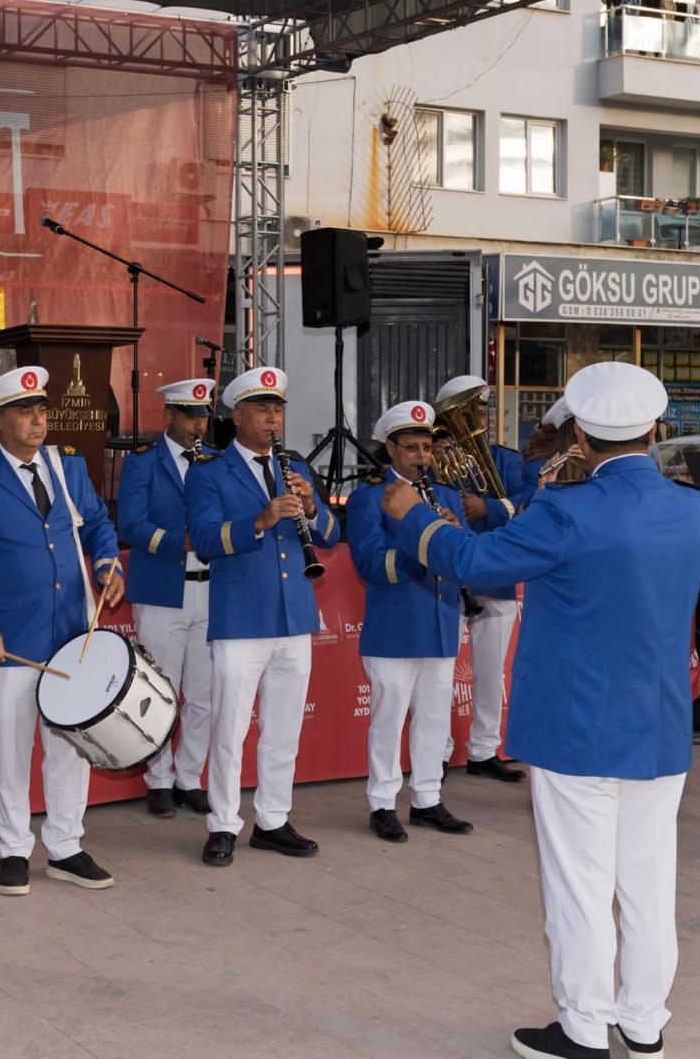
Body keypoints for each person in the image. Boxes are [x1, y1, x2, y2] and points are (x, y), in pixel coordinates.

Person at [381, 361, 700, 1059]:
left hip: (578, 726)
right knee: (649, 881)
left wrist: (412, 514)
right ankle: (644, 1023)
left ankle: (583, 1027)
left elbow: (473, 560)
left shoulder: (565, 511)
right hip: (657, 726)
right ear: (655, 430)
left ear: (582, 435)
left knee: (580, 884)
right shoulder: (698, 511)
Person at [0, 365, 125, 896]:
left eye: (42, 410)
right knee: (12, 752)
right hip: (10, 643)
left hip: (70, 637)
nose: (39, 420)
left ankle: (66, 846)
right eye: (26, 412)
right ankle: (14, 848)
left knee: (69, 749)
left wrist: (108, 565)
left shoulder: (68, 469)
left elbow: (100, 524)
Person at [185, 366, 340, 867]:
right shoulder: (209, 472)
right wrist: (260, 519)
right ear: (237, 416)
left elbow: (334, 535)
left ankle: (272, 819)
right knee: (230, 727)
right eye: (263, 410)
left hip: (294, 615)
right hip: (240, 618)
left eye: (278, 410)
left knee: (283, 727)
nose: (273, 418)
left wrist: (313, 508)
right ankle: (224, 824)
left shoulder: (295, 465)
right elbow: (206, 542)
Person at [346, 401, 475, 843]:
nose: (423, 456)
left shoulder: (450, 496)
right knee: (388, 718)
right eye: (413, 447)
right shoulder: (369, 496)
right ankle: (382, 803)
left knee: (434, 718)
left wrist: (453, 535)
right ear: (391, 448)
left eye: (428, 448)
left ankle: (427, 799)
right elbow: (367, 562)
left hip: (441, 619)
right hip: (395, 625)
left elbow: (468, 558)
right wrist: (426, 547)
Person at [116, 379, 220, 818]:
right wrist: (176, 542)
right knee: (159, 692)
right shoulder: (143, 463)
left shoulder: (216, 460)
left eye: (203, 416)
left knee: (203, 694)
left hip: (211, 589)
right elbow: (130, 524)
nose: (198, 424)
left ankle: (189, 778)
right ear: (170, 417)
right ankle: (157, 779)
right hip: (162, 590)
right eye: (190, 416)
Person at [435, 375, 535, 784]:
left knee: (492, 670)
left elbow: (532, 499)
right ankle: (436, 752)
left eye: (481, 410)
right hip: (449, 575)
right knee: (439, 671)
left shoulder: (507, 459)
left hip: (496, 574)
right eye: (470, 411)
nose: (479, 418)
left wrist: (490, 508)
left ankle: (483, 750)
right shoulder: (435, 457)